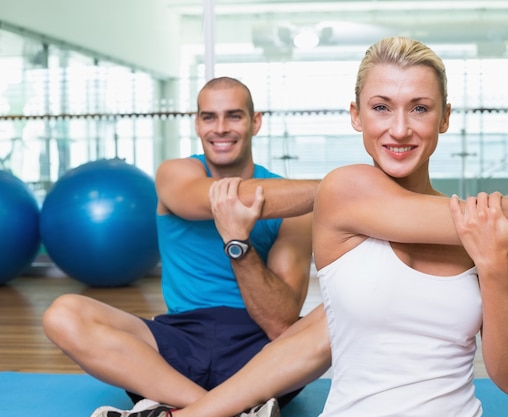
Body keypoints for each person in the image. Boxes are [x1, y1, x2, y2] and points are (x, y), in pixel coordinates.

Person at [87, 37, 508, 417]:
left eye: (419, 108)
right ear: (356, 116)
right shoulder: (347, 190)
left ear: (445, 118)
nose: (399, 128)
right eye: (380, 107)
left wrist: (495, 268)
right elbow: (299, 342)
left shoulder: (482, 233)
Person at [41, 76, 321, 416]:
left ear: (255, 122)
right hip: (177, 346)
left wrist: (239, 243)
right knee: (64, 314)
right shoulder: (175, 174)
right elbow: (215, 199)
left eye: (234, 116)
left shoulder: (294, 208)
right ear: (197, 124)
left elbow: (280, 323)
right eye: (209, 117)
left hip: (259, 356)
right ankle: (225, 410)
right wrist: (337, 188)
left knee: (337, 317)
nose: (221, 128)